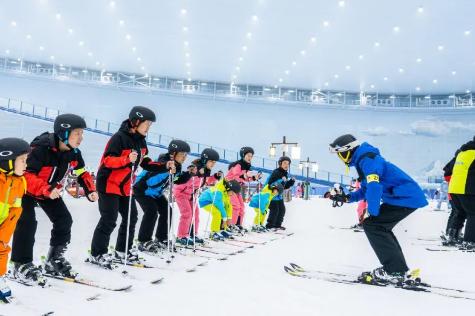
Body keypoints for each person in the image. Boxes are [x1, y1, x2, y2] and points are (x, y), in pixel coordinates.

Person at [325, 134, 427, 284]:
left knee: (374, 225)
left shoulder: (368, 160)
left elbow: (374, 186)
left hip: (406, 198)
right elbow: (365, 189)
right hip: (403, 198)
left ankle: (395, 270)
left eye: (340, 154)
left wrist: (372, 212)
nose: (340, 158)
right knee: (378, 226)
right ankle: (397, 269)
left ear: (348, 151)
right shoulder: (364, 161)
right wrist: (346, 198)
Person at [11, 114, 97, 283]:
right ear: (64, 133)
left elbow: (81, 172)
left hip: (48, 191)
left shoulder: (74, 153)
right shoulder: (41, 148)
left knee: (64, 220)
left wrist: (90, 190)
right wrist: (46, 189)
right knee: (27, 223)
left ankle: (53, 260)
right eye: (77, 133)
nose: (81, 138)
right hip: (27, 190)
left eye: (82, 134)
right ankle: (20, 264)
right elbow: (26, 175)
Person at [89, 106, 164, 269]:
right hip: (108, 184)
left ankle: (123, 250)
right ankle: (97, 253)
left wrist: (165, 166)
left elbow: (145, 162)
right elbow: (107, 160)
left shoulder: (141, 142)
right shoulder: (119, 138)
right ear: (136, 122)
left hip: (124, 187)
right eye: (147, 124)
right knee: (109, 219)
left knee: (131, 217)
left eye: (150, 125)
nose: (149, 128)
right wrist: (126, 159)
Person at [134, 140, 190, 253]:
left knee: (167, 211)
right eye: (182, 154)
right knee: (151, 211)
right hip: (143, 189)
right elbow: (151, 181)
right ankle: (143, 241)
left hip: (156, 192)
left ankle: (161, 238)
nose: (184, 158)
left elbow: (177, 180)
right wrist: (166, 170)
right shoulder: (162, 162)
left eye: (185, 155)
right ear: (173, 154)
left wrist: (189, 174)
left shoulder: (177, 166)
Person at [0, 138, 30, 301]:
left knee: (2, 248)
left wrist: (4, 235)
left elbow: (15, 210)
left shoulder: (20, 183)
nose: (26, 165)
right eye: (22, 160)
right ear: (8, 160)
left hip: (4, 224)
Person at [173, 148, 221, 246]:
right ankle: (181, 236)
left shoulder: (206, 171)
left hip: (191, 195)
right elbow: (186, 181)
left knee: (196, 214)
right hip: (182, 193)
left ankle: (192, 234)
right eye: (211, 161)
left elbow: (205, 182)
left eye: (214, 162)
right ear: (205, 160)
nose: (213, 164)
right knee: (187, 214)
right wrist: (197, 173)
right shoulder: (196, 168)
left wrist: (215, 177)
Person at [448, 137, 475, 249]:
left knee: (460, 212)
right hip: (467, 188)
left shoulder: (462, 152)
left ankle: (452, 237)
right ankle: (470, 241)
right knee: (473, 214)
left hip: (454, 188)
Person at [225, 147, 260, 232]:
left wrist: (254, 178)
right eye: (248, 155)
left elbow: (245, 179)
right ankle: (231, 226)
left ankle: (238, 225)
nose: (250, 158)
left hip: (237, 188)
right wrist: (244, 176)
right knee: (236, 206)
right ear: (243, 155)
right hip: (229, 187)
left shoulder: (247, 166)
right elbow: (236, 177)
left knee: (241, 207)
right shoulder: (238, 165)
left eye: (251, 156)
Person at [265, 156, 295, 230]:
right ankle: (270, 225)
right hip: (272, 194)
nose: (286, 165)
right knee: (275, 209)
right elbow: (270, 183)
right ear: (280, 163)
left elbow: (284, 186)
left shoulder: (285, 174)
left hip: (278, 195)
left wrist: (291, 182)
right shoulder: (276, 172)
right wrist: (281, 181)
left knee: (282, 210)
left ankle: (277, 225)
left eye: (288, 164)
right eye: (284, 163)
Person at [441, 155, 466, 245]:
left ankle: (450, 233)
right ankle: (451, 234)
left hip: (453, 191)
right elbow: (447, 176)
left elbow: (447, 175)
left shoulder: (455, 162)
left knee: (455, 213)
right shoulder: (459, 162)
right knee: (457, 213)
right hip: (457, 192)